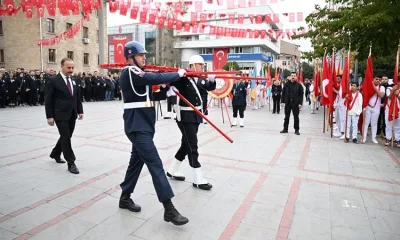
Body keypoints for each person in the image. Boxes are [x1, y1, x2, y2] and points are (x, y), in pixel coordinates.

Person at [118, 41, 188, 226]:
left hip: (144, 125)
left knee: (136, 163)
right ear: (130, 57)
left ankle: (125, 197)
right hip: (136, 126)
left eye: (144, 55)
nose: (144, 58)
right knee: (155, 164)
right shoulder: (130, 72)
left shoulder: (137, 76)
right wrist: (177, 74)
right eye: (141, 55)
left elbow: (147, 96)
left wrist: (166, 93)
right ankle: (169, 209)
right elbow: (151, 78)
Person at [166, 55, 216, 190]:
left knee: (185, 145)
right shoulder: (183, 78)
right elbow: (168, 82)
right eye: (200, 65)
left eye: (203, 65)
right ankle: (197, 178)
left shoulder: (200, 78)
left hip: (196, 115)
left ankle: (172, 170)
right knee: (192, 146)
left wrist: (212, 81)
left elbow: (208, 88)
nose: (202, 67)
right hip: (185, 116)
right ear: (193, 65)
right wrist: (172, 79)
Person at [45, 58, 84, 174]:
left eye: (72, 67)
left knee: (66, 136)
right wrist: (49, 116)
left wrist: (80, 111)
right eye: (68, 67)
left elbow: (77, 97)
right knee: (66, 137)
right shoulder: (53, 81)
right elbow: (48, 100)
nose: (71, 70)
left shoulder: (74, 80)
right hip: (59, 114)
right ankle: (71, 163)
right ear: (62, 66)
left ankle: (55, 153)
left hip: (72, 113)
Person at [362, 76, 385, 143]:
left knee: (374, 123)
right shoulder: (368, 86)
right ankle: (364, 137)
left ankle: (373, 138)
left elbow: (381, 95)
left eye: (379, 79)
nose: (377, 80)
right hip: (367, 106)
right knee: (366, 123)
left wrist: (373, 87)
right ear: (373, 79)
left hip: (376, 108)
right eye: (376, 79)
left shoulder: (382, 87)